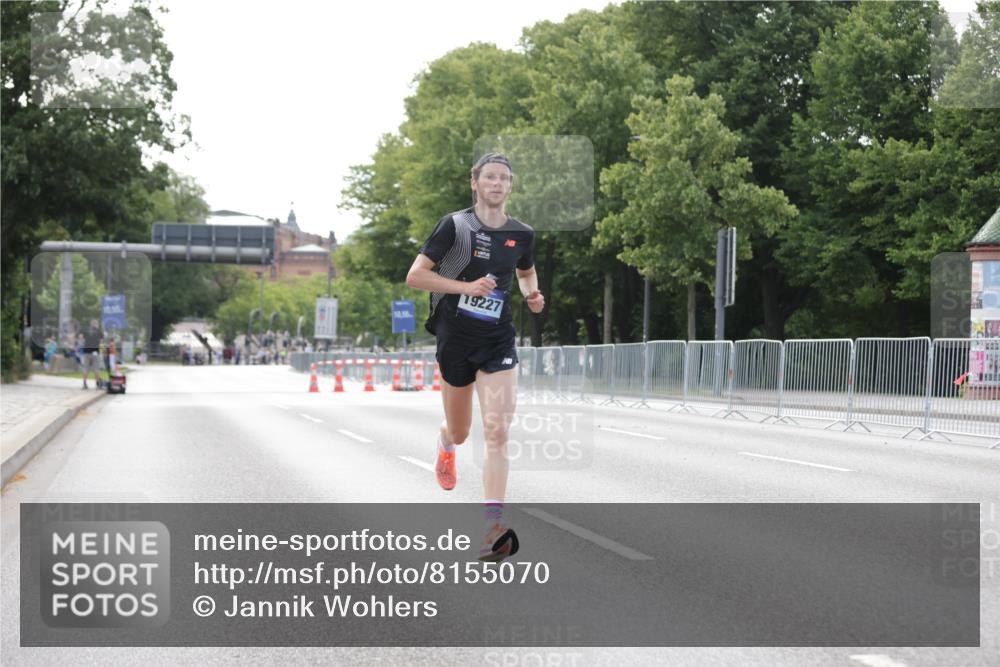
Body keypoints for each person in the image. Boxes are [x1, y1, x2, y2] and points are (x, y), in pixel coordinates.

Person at [406, 152, 545, 562]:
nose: (497, 183)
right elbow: (416, 276)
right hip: (455, 339)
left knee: (498, 432)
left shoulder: (522, 234)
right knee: (463, 431)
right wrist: (464, 288)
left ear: (511, 186)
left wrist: (531, 296)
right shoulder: (456, 226)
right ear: (475, 182)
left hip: (498, 340)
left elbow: (525, 273)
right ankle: (446, 443)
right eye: (490, 177)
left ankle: (492, 528)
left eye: (504, 177)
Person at [80, 319, 103, 389]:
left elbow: (81, 338)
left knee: (86, 368)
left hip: (87, 351)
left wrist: (86, 343)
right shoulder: (99, 331)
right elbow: (101, 342)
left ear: (91, 324)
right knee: (96, 369)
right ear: (96, 324)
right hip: (95, 352)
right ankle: (98, 385)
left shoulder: (85, 330)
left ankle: (84, 384)